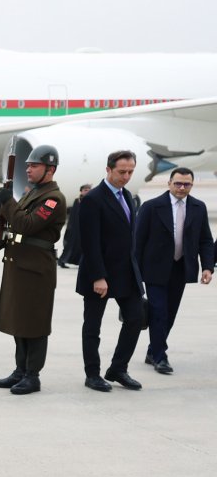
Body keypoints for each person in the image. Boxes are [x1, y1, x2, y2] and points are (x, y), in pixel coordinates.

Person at [0, 145, 68, 395]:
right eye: (28, 165)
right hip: (20, 265)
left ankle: (32, 375)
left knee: (34, 323)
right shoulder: (32, 193)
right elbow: (17, 224)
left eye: (33, 166)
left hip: (36, 269)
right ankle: (20, 369)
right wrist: (1, 240)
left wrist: (8, 203)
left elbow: (27, 224)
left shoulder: (53, 198)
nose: (28, 169)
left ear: (50, 169)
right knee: (19, 319)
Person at [76, 150, 145, 392]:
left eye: (130, 172)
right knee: (93, 327)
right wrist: (98, 276)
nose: (126, 177)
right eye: (121, 172)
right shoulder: (94, 199)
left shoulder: (128, 196)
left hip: (126, 272)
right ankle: (92, 373)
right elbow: (89, 242)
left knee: (136, 318)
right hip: (100, 274)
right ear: (108, 170)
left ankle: (118, 368)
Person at [134, 167, 214, 374]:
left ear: (192, 185)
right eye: (178, 183)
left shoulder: (198, 207)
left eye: (186, 184)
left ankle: (153, 350)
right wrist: (135, 272)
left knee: (170, 314)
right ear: (169, 183)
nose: (181, 187)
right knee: (159, 311)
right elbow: (138, 241)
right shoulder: (152, 207)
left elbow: (205, 239)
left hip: (181, 268)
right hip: (155, 269)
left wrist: (207, 266)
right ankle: (160, 357)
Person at [60, 184, 91, 267]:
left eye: (88, 190)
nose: (87, 191)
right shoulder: (77, 201)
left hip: (85, 228)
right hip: (75, 229)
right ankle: (62, 261)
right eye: (85, 190)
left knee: (83, 246)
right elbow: (74, 215)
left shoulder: (91, 200)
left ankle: (82, 262)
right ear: (81, 191)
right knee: (70, 245)